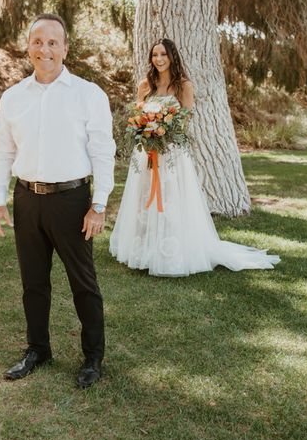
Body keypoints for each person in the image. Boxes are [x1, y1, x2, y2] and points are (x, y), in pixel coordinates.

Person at [0, 13, 115, 388]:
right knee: (33, 282)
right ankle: (38, 349)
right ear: (28, 47)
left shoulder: (89, 94)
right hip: (27, 199)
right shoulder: (12, 97)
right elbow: (4, 151)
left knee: (83, 283)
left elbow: (103, 152)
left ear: (65, 48)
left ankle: (93, 357)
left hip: (72, 200)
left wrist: (99, 204)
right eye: (37, 41)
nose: (44, 49)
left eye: (52, 42)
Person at [109, 38, 280, 276]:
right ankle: (143, 251)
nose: (158, 59)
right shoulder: (144, 86)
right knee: (144, 197)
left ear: (172, 57)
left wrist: (162, 131)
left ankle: (169, 253)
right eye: (155, 55)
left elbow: (184, 121)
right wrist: (146, 131)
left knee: (171, 198)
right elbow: (138, 116)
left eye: (163, 55)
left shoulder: (184, 86)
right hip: (147, 152)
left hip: (172, 153)